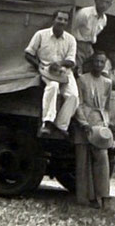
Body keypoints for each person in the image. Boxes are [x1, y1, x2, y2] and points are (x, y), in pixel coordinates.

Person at [24, 10, 78, 138]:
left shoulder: (71, 39)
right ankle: (47, 122)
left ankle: (61, 125)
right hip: (47, 70)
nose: (62, 22)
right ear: (53, 19)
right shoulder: (41, 35)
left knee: (73, 96)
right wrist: (40, 66)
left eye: (65, 20)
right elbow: (28, 54)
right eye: (60, 19)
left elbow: (71, 61)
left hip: (64, 72)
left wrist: (60, 64)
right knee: (53, 86)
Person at [74, 51, 114, 209]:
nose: (98, 65)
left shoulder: (107, 82)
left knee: (102, 159)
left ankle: (104, 196)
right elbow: (78, 103)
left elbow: (107, 107)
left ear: (105, 65)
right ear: (91, 63)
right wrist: (83, 122)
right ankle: (86, 198)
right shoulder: (82, 80)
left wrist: (107, 123)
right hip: (83, 120)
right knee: (83, 161)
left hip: (99, 122)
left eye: (101, 62)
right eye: (96, 61)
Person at [71, 0, 113, 74]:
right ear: (95, 1)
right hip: (77, 44)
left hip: (89, 47)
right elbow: (71, 28)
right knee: (75, 70)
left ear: (110, 5)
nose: (103, 5)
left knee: (90, 71)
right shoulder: (84, 13)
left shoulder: (104, 19)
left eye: (107, 2)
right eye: (101, 1)